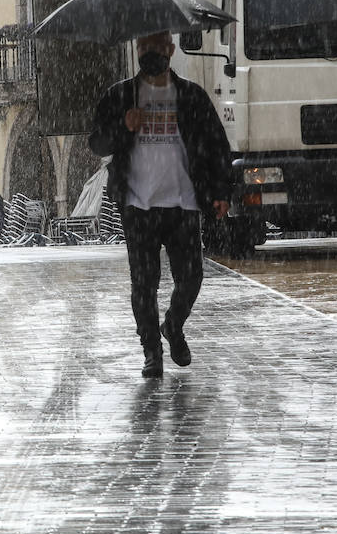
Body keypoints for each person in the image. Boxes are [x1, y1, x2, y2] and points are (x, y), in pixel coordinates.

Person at [89, 31, 232, 378]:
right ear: (136, 49)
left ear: (170, 49)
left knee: (192, 277)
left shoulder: (191, 96)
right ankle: (151, 350)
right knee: (144, 284)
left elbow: (217, 145)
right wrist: (124, 126)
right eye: (143, 47)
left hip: (183, 203)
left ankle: (173, 325)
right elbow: (96, 142)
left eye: (156, 47)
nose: (150, 53)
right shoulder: (121, 95)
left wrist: (222, 191)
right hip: (138, 205)